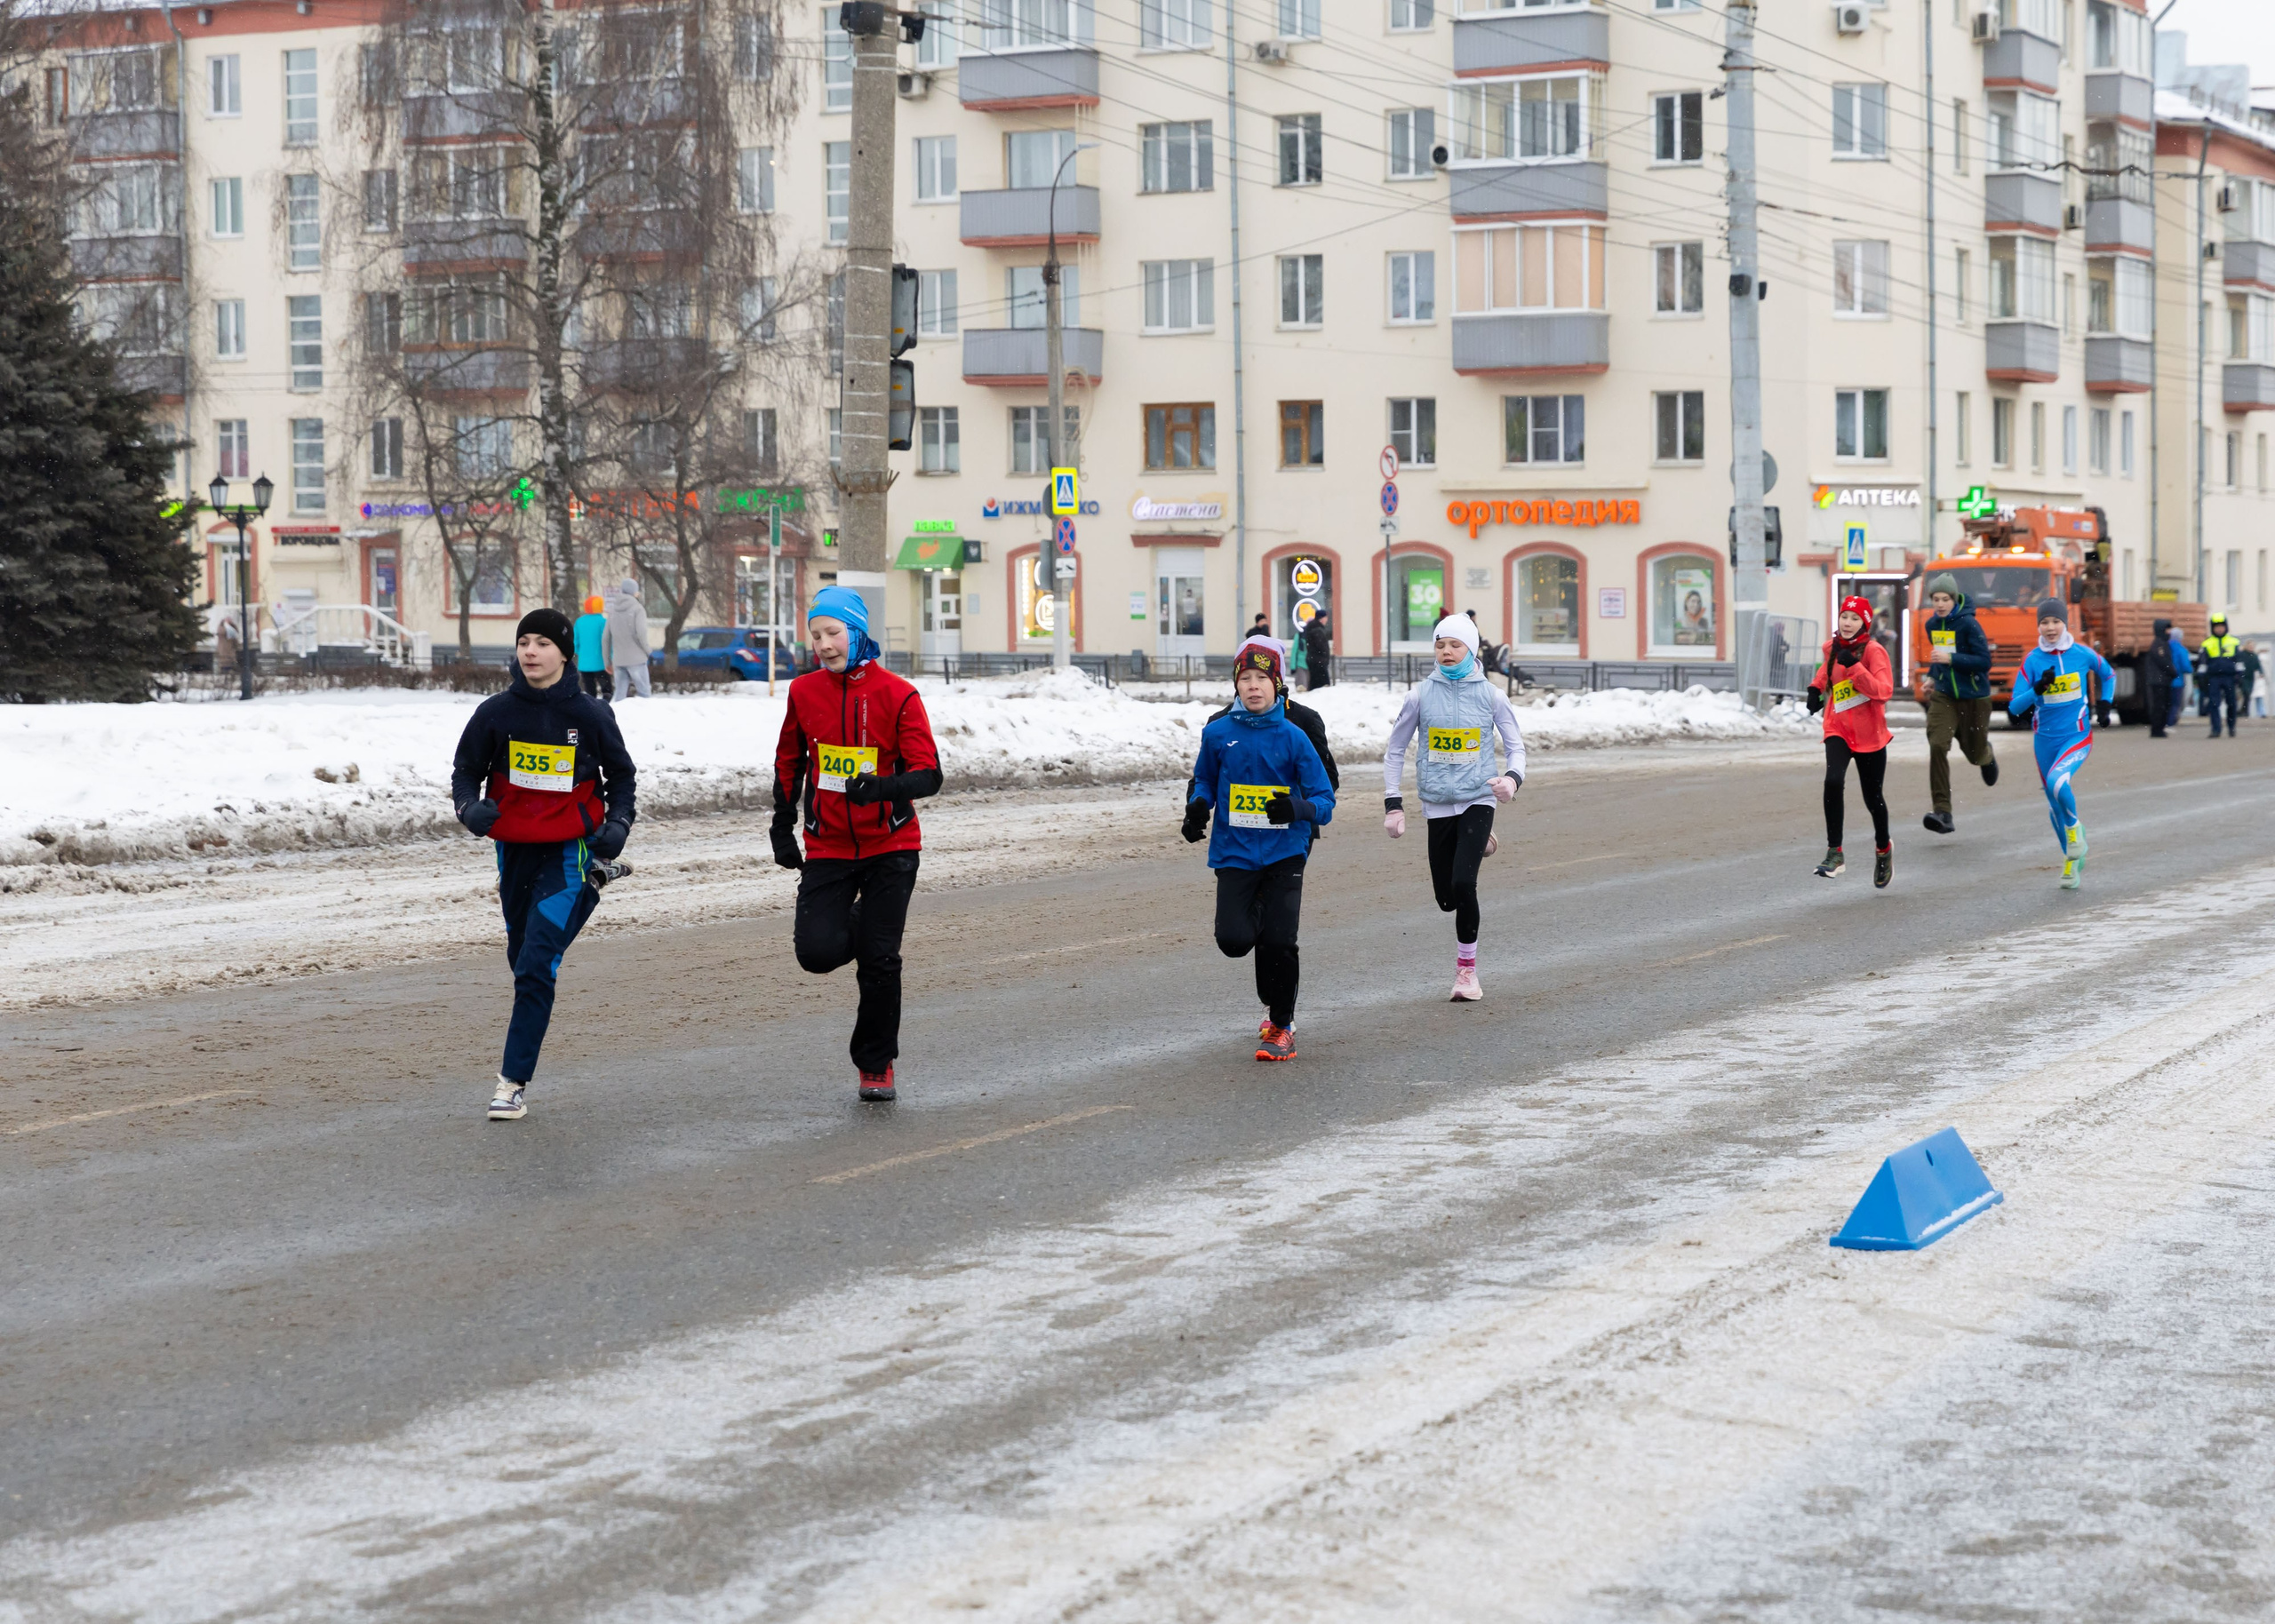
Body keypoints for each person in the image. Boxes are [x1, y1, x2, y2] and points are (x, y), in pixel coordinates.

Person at [451, 608, 637, 1121]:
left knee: (537, 964)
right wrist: (470, 810)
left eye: (542, 644)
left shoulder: (592, 715)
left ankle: (510, 1083)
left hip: (567, 848)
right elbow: (465, 772)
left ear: (564, 653)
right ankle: (596, 881)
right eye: (523, 642)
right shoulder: (495, 713)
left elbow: (622, 780)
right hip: (513, 849)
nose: (530, 652)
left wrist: (618, 825)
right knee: (521, 960)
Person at [770, 585, 942, 1103]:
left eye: (833, 633)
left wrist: (884, 788)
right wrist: (782, 823)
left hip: (891, 845)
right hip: (830, 847)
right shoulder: (804, 692)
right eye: (816, 635)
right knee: (816, 953)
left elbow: (929, 774)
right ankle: (866, 926)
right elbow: (789, 760)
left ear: (857, 632)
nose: (823, 644)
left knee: (880, 960)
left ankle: (876, 1065)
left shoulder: (898, 694)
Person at [1182, 641, 1336, 1061]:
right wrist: (1198, 808)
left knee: (1279, 942)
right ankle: (1267, 936)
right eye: (1245, 679)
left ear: (1277, 684)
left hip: (1286, 852)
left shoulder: (1295, 735)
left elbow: (1326, 800)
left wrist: (1297, 808)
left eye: (1262, 679)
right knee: (1233, 941)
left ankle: (1281, 1027)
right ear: (1236, 685)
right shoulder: (1217, 733)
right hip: (1234, 852)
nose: (1253, 687)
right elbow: (1204, 781)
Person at [1382, 614, 1526, 1000]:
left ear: (1471, 649)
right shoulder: (1419, 696)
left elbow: (1516, 747)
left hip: (1479, 797)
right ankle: (1481, 843)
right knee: (1446, 899)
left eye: (1455, 645)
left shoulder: (1492, 696)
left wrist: (1512, 780)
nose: (1446, 652)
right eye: (1440, 645)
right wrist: (1393, 803)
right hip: (1437, 803)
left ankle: (1467, 974)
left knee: (1465, 884)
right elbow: (1395, 750)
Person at [2009, 599, 2118, 891]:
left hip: (2076, 735)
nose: (2050, 628)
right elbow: (2014, 708)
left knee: (2059, 782)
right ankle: (2071, 860)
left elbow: (2108, 674)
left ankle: (2075, 831)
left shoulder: (2082, 654)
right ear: (2039, 627)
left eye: (2055, 622)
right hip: (2044, 740)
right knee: (2054, 804)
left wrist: (2105, 705)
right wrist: (2037, 690)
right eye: (2044, 623)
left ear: (2065, 623)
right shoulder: (2032, 661)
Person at [1808, 595, 1895, 888]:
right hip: (1839, 727)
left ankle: (1883, 849)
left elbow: (1883, 691)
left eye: (1855, 618)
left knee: (1873, 799)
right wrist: (1815, 690)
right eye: (1845, 616)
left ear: (1864, 623)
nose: (1847, 623)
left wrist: (1855, 668)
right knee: (1833, 781)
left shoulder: (1874, 651)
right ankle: (1835, 853)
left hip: (1870, 734)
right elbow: (1826, 672)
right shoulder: (1832, 648)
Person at [1919, 572, 1999, 834]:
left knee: (1973, 754)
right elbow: (1939, 657)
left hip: (1974, 697)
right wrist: (1932, 676)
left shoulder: (1969, 625)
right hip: (1944, 697)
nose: (1940, 604)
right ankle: (1943, 812)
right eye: (1936, 599)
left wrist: (1952, 660)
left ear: (1954, 599)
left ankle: (1986, 755)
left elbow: (1984, 661)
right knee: (1938, 744)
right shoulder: (1932, 625)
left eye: (1945, 599)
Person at [606, 577, 652, 699]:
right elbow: (641, 634)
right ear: (634, 591)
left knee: (620, 695)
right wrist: (648, 651)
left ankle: (618, 717)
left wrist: (607, 661)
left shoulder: (612, 611)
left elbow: (606, 637)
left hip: (619, 660)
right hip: (636, 659)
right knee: (644, 693)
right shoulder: (638, 609)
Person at [2199, 614, 2243, 738]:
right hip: (2214, 678)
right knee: (2214, 704)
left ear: (2226, 627)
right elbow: (2203, 662)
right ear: (2212, 628)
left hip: (2230, 677)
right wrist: (2201, 677)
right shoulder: (2207, 643)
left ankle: (2231, 727)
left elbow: (2239, 661)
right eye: (2217, 627)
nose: (2219, 629)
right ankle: (2216, 729)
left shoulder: (2233, 642)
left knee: (2232, 704)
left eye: (2222, 627)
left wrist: (2240, 676)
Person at [573, 593, 613, 702]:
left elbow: (574, 641)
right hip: (601, 663)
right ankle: (605, 708)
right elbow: (608, 641)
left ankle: (592, 709)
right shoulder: (603, 622)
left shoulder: (579, 621)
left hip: (584, 663)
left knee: (590, 691)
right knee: (607, 690)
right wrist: (611, 657)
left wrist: (580, 652)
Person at [2143, 617, 2178, 738]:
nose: (2169, 632)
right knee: (2160, 706)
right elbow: (2163, 661)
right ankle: (2157, 730)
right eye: (2167, 629)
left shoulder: (2162, 643)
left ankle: (2159, 729)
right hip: (2158, 681)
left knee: (2163, 705)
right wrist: (2173, 672)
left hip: (2161, 680)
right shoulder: (2159, 644)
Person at [2166, 620, 2194, 732]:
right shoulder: (2181, 650)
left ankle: (2164, 722)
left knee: (2167, 703)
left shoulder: (2165, 647)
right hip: (2177, 681)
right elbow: (2186, 666)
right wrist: (2191, 670)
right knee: (2175, 703)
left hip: (2165, 681)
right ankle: (2170, 723)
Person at [1301, 611, 1333, 690]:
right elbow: (1322, 646)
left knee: (1314, 684)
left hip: (1314, 659)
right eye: (1325, 617)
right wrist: (1325, 657)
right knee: (1322, 686)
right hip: (1318, 661)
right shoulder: (1317, 630)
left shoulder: (1313, 628)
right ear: (1321, 619)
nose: (1327, 620)